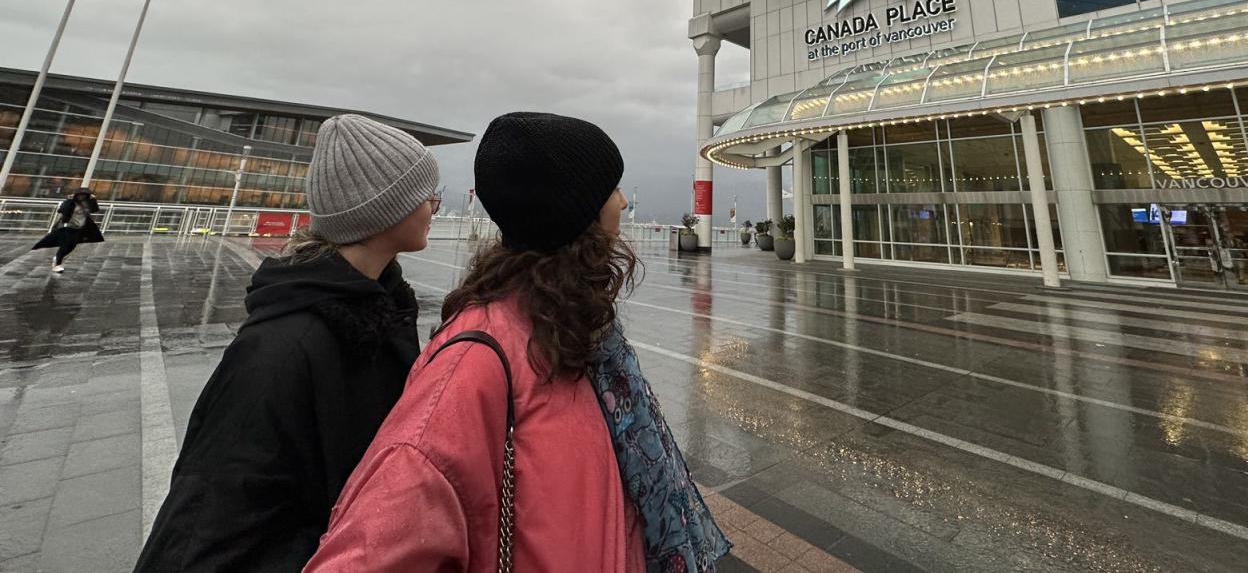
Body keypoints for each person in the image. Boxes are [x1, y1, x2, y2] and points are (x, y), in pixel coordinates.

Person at [306, 111, 730, 573]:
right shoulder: (474, 363)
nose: (624, 203)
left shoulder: (573, 330)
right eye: (611, 189)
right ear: (574, 213)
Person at [134, 114, 440, 572]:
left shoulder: (384, 312)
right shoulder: (279, 348)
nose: (435, 205)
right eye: (423, 194)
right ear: (384, 210)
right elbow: (204, 527)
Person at [30, 187, 104, 273]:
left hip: (79, 227)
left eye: (84, 195)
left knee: (72, 246)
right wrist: (68, 201)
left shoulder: (87, 203)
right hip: (67, 226)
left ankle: (57, 258)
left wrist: (93, 199)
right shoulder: (71, 202)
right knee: (65, 244)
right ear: (76, 195)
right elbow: (60, 210)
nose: (81, 197)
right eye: (80, 195)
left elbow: (95, 209)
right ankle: (57, 264)